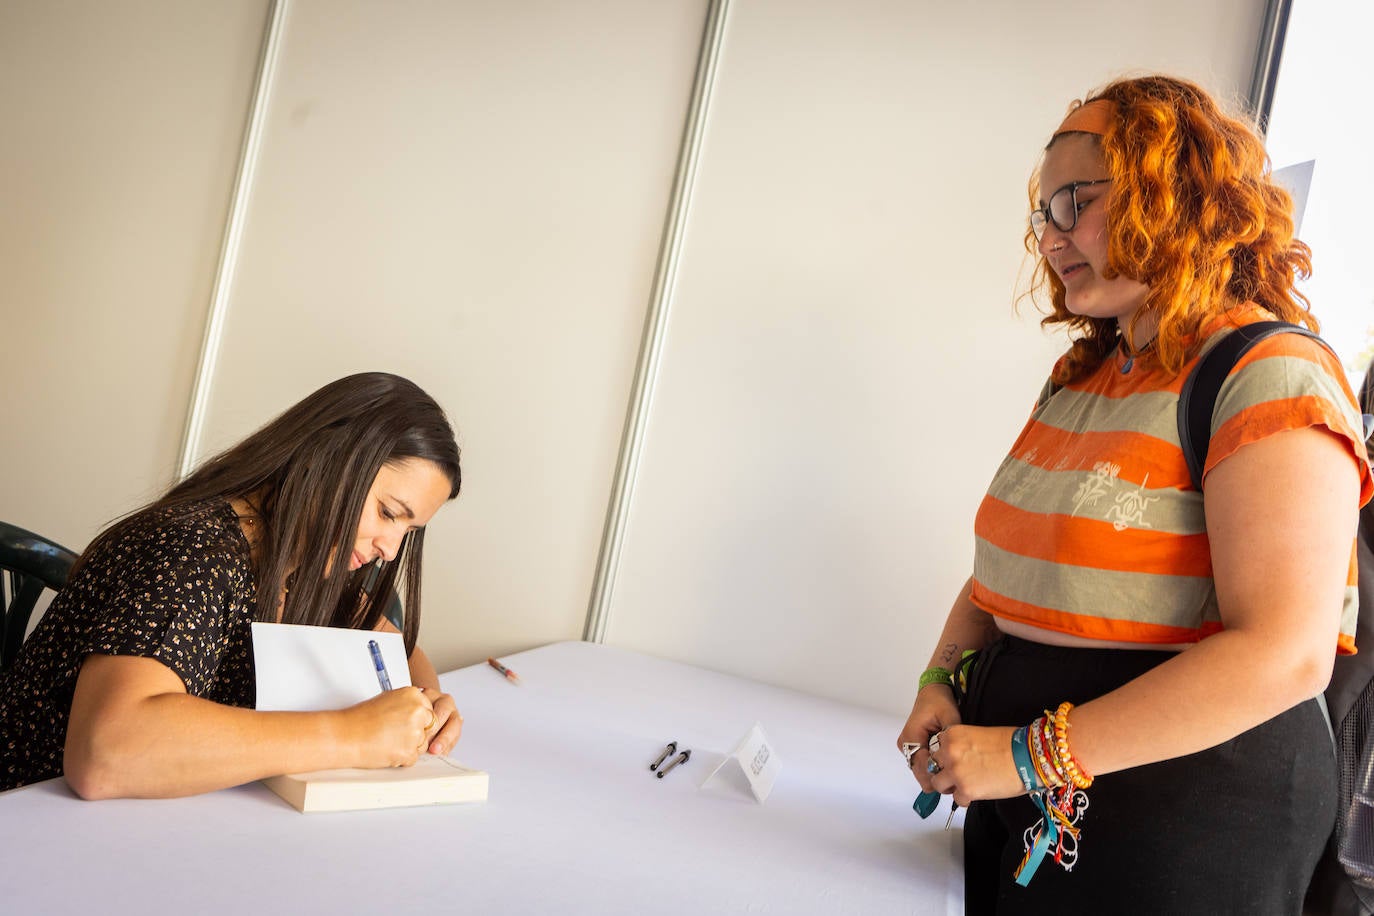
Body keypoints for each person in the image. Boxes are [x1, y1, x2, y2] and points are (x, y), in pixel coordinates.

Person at [896, 75, 1373, 914]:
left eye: (1075, 201)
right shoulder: (1087, 374)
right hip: (1033, 799)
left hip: (1180, 829)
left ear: (1176, 195)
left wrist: (1024, 758)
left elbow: (1286, 654)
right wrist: (945, 678)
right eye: (1045, 213)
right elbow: (1007, 569)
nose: (1050, 237)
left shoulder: (1269, 375)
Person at [0, 372, 464, 797]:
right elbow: (107, 753)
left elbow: (397, 649)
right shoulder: (191, 551)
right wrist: (350, 734)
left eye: (408, 532)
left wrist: (428, 704)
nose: (389, 549)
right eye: (387, 513)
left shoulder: (303, 559)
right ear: (331, 460)